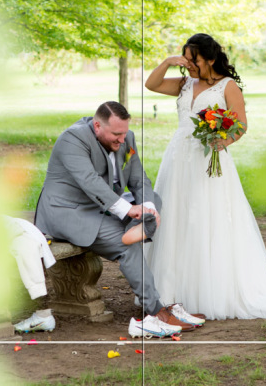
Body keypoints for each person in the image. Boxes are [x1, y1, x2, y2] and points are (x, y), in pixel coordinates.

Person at [144, 33, 266, 319]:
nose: (188, 65)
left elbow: (240, 124)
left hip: (208, 158)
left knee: (206, 217)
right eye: (185, 59)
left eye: (193, 60)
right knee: (176, 217)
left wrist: (223, 141)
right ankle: (171, 287)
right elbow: (152, 84)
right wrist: (169, 61)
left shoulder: (227, 87)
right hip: (178, 159)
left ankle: (209, 287)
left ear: (210, 59)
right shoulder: (184, 83)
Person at [34, 102, 203, 337]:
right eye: (116, 134)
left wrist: (147, 208)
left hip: (101, 206)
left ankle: (141, 225)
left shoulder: (126, 138)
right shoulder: (72, 139)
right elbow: (90, 182)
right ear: (96, 126)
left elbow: (138, 179)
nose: (122, 140)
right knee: (128, 246)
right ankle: (154, 312)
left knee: (153, 198)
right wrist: (128, 210)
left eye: (124, 133)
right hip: (69, 212)